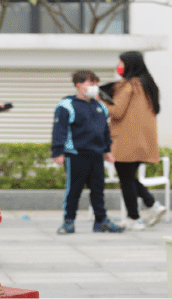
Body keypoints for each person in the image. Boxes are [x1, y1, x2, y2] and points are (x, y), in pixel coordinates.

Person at [52, 70, 125, 235]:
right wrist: (58, 152)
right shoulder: (66, 106)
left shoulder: (100, 106)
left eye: (95, 84)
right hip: (76, 155)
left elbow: (105, 131)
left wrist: (107, 150)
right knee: (74, 190)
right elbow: (59, 130)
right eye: (90, 84)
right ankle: (68, 222)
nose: (94, 87)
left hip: (96, 155)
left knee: (98, 190)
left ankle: (101, 221)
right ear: (79, 85)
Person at [100, 51, 166, 230]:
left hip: (125, 140)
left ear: (129, 64)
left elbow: (116, 111)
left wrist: (99, 100)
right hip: (142, 141)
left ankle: (135, 217)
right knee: (129, 177)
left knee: (126, 180)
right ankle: (152, 205)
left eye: (121, 62)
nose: (119, 66)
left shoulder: (128, 85)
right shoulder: (148, 85)